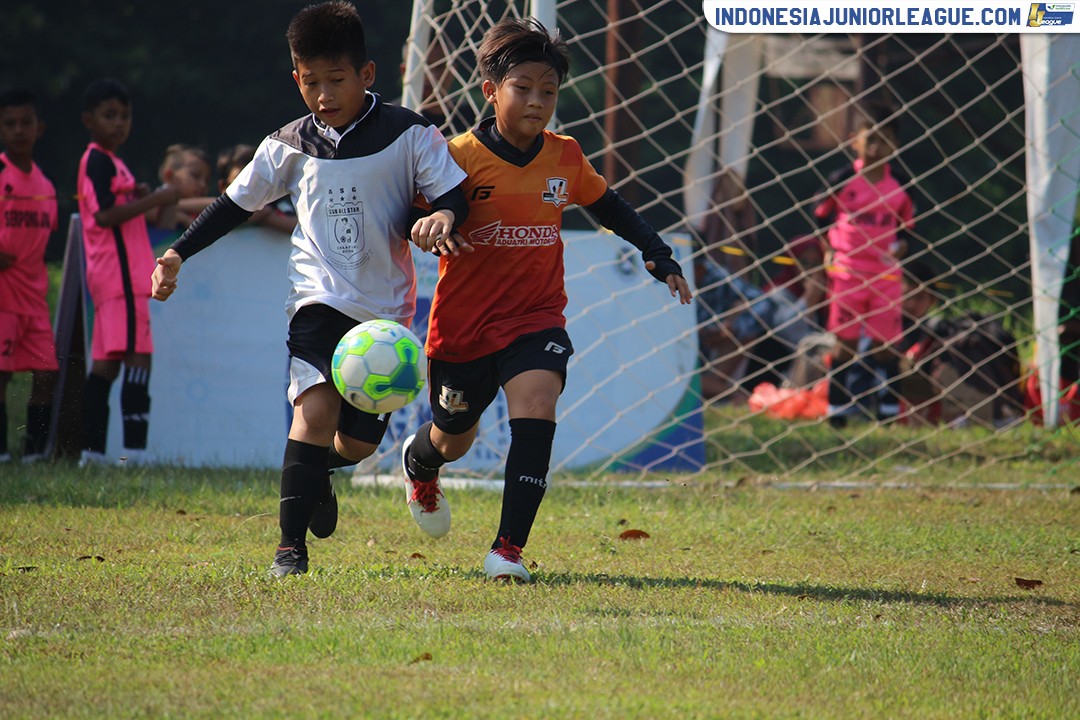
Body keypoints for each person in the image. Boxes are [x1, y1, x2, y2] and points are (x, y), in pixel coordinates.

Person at [150, 0, 468, 578]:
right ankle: (288, 551)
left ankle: (317, 471)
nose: (324, 95)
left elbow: (452, 192)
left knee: (358, 445)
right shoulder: (288, 144)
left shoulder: (410, 133)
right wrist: (176, 253)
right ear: (296, 78)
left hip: (384, 317)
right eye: (311, 82)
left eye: (337, 80)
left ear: (366, 75)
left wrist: (444, 218)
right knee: (313, 412)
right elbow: (232, 205)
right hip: (316, 302)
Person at [399, 17, 692, 582]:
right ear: (490, 91)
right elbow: (411, 212)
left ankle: (506, 551)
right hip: (462, 329)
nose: (538, 102)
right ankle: (421, 463)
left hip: (536, 318)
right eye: (523, 88)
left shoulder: (565, 155)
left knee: (537, 403)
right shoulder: (453, 156)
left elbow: (609, 207)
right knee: (453, 438)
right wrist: (425, 224)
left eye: (549, 91)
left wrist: (657, 253)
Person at [77, 78, 181, 466]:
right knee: (139, 359)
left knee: (106, 364)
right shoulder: (97, 160)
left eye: (124, 116)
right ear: (89, 120)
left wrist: (148, 197)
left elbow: (139, 214)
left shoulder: (114, 162)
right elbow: (104, 215)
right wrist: (156, 197)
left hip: (116, 280)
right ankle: (132, 455)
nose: (118, 123)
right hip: (119, 279)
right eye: (109, 116)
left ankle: (93, 454)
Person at [813, 100, 914, 428]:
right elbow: (819, 216)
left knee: (887, 346)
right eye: (869, 138)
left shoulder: (901, 184)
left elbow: (912, 227)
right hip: (847, 273)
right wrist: (827, 248)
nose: (875, 146)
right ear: (854, 139)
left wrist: (904, 247)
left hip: (885, 275)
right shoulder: (841, 179)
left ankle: (887, 415)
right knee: (846, 343)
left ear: (895, 145)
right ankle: (837, 413)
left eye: (884, 139)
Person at [0, 88, 58, 463]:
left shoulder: (46, 187)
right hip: (3, 297)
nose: (19, 130)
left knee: (46, 373)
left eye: (26, 123)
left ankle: (33, 453)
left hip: (34, 296)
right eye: (10, 124)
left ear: (39, 128)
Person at [215, 144, 296, 235]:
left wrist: (267, 216)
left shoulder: (285, 210)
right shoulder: (204, 214)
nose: (249, 189)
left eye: (257, 182)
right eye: (240, 185)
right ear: (223, 186)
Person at [148, 144, 212, 230]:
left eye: (207, 180)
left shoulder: (198, 209)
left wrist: (171, 205)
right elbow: (147, 212)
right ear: (169, 175)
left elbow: (214, 204)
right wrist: (184, 219)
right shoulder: (154, 200)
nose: (203, 185)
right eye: (195, 176)